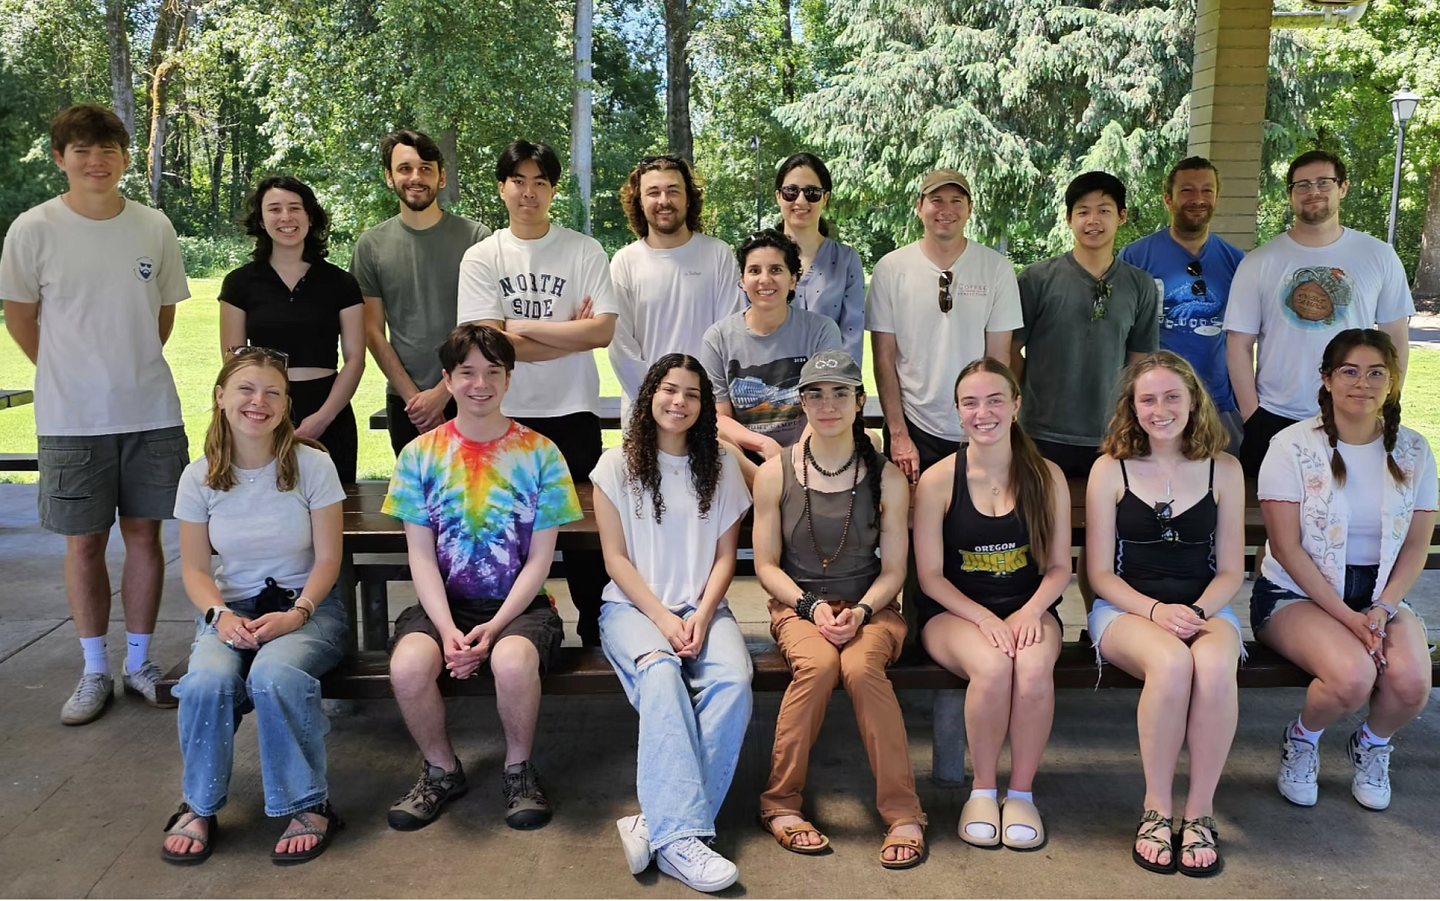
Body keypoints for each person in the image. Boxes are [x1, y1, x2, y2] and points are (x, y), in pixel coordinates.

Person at [0, 104, 191, 723]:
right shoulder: (33, 229)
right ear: (60, 158)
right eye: (81, 150)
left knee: (145, 536)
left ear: (125, 157)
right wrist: (67, 370)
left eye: (107, 149)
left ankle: (139, 663)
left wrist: (124, 365)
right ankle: (93, 670)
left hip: (149, 410)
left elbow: (161, 317)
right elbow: (21, 318)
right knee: (84, 543)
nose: (95, 161)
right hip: (71, 418)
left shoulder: (152, 226)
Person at [382, 324, 582, 831]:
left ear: (509, 379)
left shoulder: (540, 453)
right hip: (443, 604)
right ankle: (441, 768)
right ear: (446, 380)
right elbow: (421, 557)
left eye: (493, 372)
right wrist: (447, 630)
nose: (480, 383)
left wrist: (493, 630)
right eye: (466, 372)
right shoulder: (420, 455)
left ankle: (518, 769)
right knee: (407, 667)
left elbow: (540, 561)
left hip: (520, 607)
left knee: (513, 663)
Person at [162, 348, 349, 865]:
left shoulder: (312, 465)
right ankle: (199, 804)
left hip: (307, 608)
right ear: (221, 397)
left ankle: (308, 804)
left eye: (272, 392)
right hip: (231, 611)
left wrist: (299, 612)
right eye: (245, 389)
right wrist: (220, 617)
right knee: (205, 682)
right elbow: (197, 570)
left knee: (274, 675)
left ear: (287, 404)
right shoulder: (198, 477)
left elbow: (330, 556)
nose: (257, 401)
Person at [753, 350, 927, 869]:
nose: (827, 404)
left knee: (861, 667)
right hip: (799, 606)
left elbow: (894, 569)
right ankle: (780, 803)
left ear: (860, 400)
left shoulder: (888, 477)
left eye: (840, 393)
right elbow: (766, 565)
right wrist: (810, 607)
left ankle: (903, 813)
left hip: (871, 606)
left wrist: (863, 612)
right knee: (819, 665)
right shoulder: (775, 473)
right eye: (815, 394)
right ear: (801, 401)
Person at [1253, 329, 1435, 813]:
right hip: (1296, 593)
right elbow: (1286, 548)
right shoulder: (1290, 446)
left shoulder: (1414, 451)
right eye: (1350, 371)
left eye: (1377, 372)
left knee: (1414, 680)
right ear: (1327, 379)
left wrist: (1382, 607)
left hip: (1378, 595)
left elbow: (1417, 544)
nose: (1363, 383)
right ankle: (1302, 738)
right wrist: (1346, 616)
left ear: (1393, 382)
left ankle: (1372, 744)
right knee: (1352, 676)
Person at [592, 354, 753, 893]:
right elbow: (614, 559)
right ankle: (683, 839)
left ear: (704, 406)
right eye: (668, 389)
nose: (678, 401)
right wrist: (661, 617)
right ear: (649, 396)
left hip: (704, 608)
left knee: (733, 681)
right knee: (661, 674)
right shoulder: (614, 466)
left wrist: (702, 615)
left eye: (691, 393)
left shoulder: (723, 463)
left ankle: (658, 825)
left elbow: (728, 557)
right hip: (633, 609)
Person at [1085, 352, 1246, 877]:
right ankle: (1157, 808)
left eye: (1172, 396)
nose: (1161, 409)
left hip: (1204, 608)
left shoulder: (1225, 469)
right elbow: (1101, 574)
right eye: (1148, 399)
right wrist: (1157, 612)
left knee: (1216, 666)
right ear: (1131, 407)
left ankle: (1200, 812)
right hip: (1126, 609)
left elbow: (1229, 571)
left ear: (1194, 400)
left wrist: (1195, 611)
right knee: (1173, 664)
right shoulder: (1110, 469)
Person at [457, 140, 617, 647]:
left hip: (572, 411)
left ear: (552, 190)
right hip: (504, 415)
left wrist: (520, 326)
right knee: (506, 529)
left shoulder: (583, 250)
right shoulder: (482, 256)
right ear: (502, 187)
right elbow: (485, 343)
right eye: (519, 181)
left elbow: (601, 333)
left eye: (541, 182)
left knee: (585, 537)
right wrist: (565, 329)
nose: (530, 192)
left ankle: (598, 630)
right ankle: (510, 632)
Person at [914, 358, 1071, 853]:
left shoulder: (1047, 477)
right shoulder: (939, 480)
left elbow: (1059, 568)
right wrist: (983, 617)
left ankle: (1020, 792)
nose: (984, 412)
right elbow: (931, 578)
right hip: (954, 614)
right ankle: (983, 789)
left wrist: (1028, 613)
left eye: (995, 399)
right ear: (958, 413)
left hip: (1029, 607)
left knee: (1030, 668)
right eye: (971, 403)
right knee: (992, 666)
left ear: (1016, 405)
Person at [1226, 150, 1414, 479]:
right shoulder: (1259, 262)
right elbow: (1238, 344)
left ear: (1342, 188)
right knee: (1265, 522)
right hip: (1274, 416)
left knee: (1352, 520)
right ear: (1290, 195)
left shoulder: (1379, 256)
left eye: (1323, 182)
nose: (1313, 191)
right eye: (1302, 185)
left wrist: (1385, 402)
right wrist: (1252, 416)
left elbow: (1395, 337)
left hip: (1354, 413)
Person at [868, 168, 1023, 482]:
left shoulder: (996, 268)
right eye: (936, 200)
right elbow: (883, 359)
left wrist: (994, 423)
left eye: (956, 200)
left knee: (979, 523)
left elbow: (999, 359)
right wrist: (898, 434)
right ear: (919, 206)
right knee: (913, 522)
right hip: (914, 428)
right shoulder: (891, 268)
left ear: (969, 208)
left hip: (979, 424)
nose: (946, 210)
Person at [1012, 170, 1160, 480]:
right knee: (1039, 521)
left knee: (1106, 524)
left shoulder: (1140, 285)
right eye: (1083, 211)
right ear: (1068, 219)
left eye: (1104, 210)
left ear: (1121, 216)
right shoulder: (1035, 279)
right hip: (1041, 433)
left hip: (1111, 434)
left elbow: (1140, 361)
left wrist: (1132, 421)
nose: (1093, 220)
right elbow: (1010, 351)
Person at [352, 129, 491, 454]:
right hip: (407, 402)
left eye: (426, 168)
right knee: (417, 502)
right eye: (405, 168)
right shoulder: (371, 245)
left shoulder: (476, 238)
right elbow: (372, 331)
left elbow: (484, 328)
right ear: (389, 177)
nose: (416, 177)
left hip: (474, 392)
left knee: (480, 499)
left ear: (441, 177)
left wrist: (444, 391)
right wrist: (416, 399)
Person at [219, 176, 365, 483]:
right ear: (261, 219)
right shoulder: (239, 283)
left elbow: (355, 358)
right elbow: (233, 362)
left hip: (329, 408)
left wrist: (321, 419)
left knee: (332, 513)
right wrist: (264, 410)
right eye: (274, 209)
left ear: (310, 217)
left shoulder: (341, 283)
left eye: (294, 208)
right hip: (262, 408)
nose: (286, 217)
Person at [1119, 157, 1246, 452]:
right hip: (1153, 407)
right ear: (1168, 198)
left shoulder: (1236, 261)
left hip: (1217, 404)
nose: (1198, 199)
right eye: (1187, 190)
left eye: (1207, 190)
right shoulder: (1136, 257)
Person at [608, 155, 744, 420]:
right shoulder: (624, 262)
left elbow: (729, 336)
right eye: (653, 192)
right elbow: (621, 346)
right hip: (644, 412)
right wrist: (657, 400)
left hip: (707, 411)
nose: (663, 201)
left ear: (688, 198)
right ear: (639, 201)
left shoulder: (718, 254)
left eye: (673, 191)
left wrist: (695, 399)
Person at [700, 229, 842, 474]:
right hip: (748, 454)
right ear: (743, 281)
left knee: (869, 439)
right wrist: (764, 444)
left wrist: (797, 456)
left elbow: (825, 404)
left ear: (793, 280)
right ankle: (769, 491)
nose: (764, 279)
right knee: (716, 446)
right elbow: (720, 418)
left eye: (776, 270)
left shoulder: (821, 330)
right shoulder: (718, 338)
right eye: (754, 271)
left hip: (811, 447)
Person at [774, 152, 866, 364]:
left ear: (825, 198)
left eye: (812, 192)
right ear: (778, 196)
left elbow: (852, 337)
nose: (801, 200)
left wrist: (843, 389)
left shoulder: (846, 260)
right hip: (770, 388)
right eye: (791, 191)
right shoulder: (759, 259)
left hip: (828, 389)